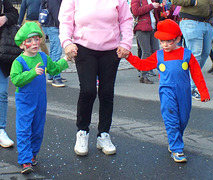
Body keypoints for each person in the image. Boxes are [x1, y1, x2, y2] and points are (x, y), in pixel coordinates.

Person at [125, 19, 210, 162]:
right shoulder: (159, 55)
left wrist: (204, 92)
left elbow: (197, 74)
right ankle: (177, 148)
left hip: (184, 92)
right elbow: (143, 65)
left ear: (177, 39)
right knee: (171, 119)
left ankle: (175, 140)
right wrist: (128, 56)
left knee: (183, 119)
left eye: (168, 41)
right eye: (161, 41)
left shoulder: (187, 54)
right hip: (167, 92)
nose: (164, 45)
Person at [59, 0, 133, 156]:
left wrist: (126, 43)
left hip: (111, 49)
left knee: (106, 92)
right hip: (83, 47)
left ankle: (103, 134)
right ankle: (82, 131)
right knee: (88, 90)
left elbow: (126, 20)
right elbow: (65, 20)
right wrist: (66, 42)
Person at [10, 22, 69, 174]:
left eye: (36, 39)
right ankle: (25, 160)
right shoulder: (19, 62)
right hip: (24, 100)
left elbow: (54, 68)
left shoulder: (43, 57)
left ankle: (33, 154)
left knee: (37, 129)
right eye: (29, 41)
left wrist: (66, 59)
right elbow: (16, 80)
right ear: (22, 45)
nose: (34, 43)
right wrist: (32, 73)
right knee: (24, 129)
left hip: (40, 100)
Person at [171, 0, 213, 100]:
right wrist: (193, 2)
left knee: (205, 54)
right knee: (195, 55)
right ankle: (191, 87)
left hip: (207, 23)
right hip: (191, 21)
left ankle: (186, 81)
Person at [131, 0, 163, 84]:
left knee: (156, 52)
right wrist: (151, 6)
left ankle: (162, 74)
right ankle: (143, 75)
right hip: (142, 28)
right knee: (146, 52)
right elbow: (135, 11)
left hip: (152, 27)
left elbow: (156, 12)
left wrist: (160, 7)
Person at [0, 0, 18, 148]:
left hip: (1, 52)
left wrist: (5, 18)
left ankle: (0, 130)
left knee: (2, 93)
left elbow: (14, 13)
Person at [41, 0, 66, 87]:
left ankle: (51, 74)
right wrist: (62, 24)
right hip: (54, 25)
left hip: (49, 24)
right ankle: (56, 76)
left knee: (53, 50)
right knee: (56, 50)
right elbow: (55, 11)